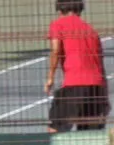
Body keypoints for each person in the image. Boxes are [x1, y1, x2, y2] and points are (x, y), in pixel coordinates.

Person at [45, 0, 108, 133]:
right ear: (80, 10)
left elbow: (56, 50)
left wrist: (50, 77)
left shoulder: (58, 25)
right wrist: (105, 96)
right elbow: (101, 65)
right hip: (96, 86)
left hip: (75, 83)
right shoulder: (91, 30)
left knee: (56, 127)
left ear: (59, 10)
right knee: (90, 133)